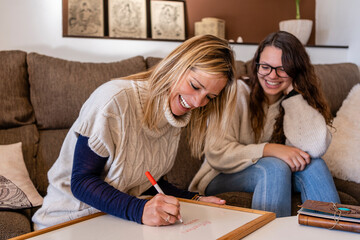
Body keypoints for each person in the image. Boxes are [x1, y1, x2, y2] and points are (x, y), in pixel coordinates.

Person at [32, 35, 237, 229]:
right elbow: (82, 181)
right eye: (194, 86)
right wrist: (139, 210)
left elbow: (144, 182)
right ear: (177, 66)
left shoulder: (176, 116)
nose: (197, 103)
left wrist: (195, 199)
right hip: (69, 220)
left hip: (115, 219)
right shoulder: (113, 100)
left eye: (209, 97)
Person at [189, 31, 340, 217]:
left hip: (279, 171)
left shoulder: (296, 100)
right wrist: (269, 149)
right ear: (256, 65)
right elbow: (217, 154)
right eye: (265, 67)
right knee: (274, 167)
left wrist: (294, 95)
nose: (272, 76)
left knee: (315, 165)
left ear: (296, 69)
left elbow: (315, 148)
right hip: (220, 175)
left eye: (283, 68)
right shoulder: (236, 93)